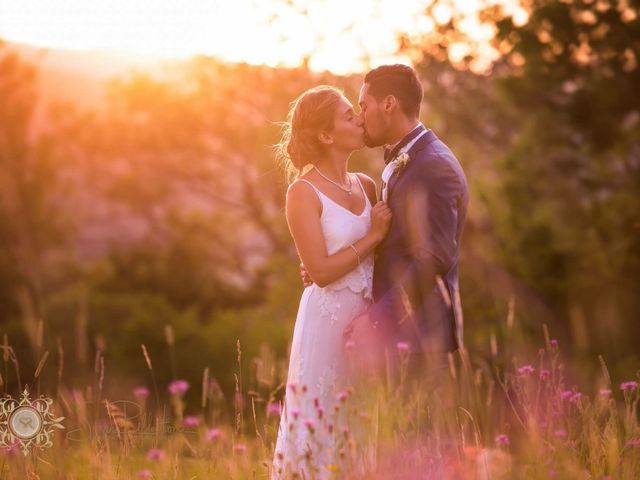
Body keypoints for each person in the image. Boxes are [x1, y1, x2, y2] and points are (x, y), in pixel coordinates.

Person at [272, 85, 392, 479]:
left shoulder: (367, 185)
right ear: (325, 135)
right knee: (320, 424)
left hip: (366, 323)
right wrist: (371, 236)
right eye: (347, 115)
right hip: (326, 323)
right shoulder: (302, 193)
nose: (359, 118)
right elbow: (320, 272)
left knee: (359, 426)